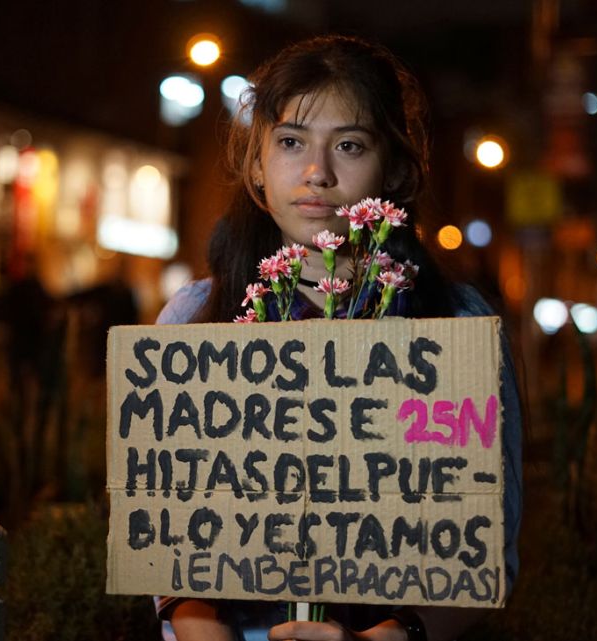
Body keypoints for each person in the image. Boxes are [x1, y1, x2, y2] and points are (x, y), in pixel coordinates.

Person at [154, 34, 525, 641]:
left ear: (398, 171)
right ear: (256, 164)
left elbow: (486, 558)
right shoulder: (194, 317)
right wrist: (201, 629)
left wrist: (383, 637)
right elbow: (170, 532)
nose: (316, 173)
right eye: (291, 142)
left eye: (349, 145)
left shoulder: (455, 325)